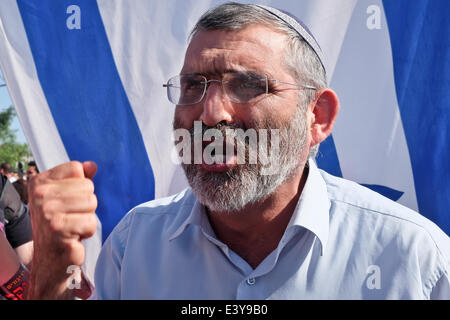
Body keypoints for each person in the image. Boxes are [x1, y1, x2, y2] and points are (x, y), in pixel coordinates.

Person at [27, 3, 449, 300]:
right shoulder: (133, 248)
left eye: (248, 85)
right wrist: (48, 278)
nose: (211, 114)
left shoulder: (413, 259)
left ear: (316, 117)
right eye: (193, 86)